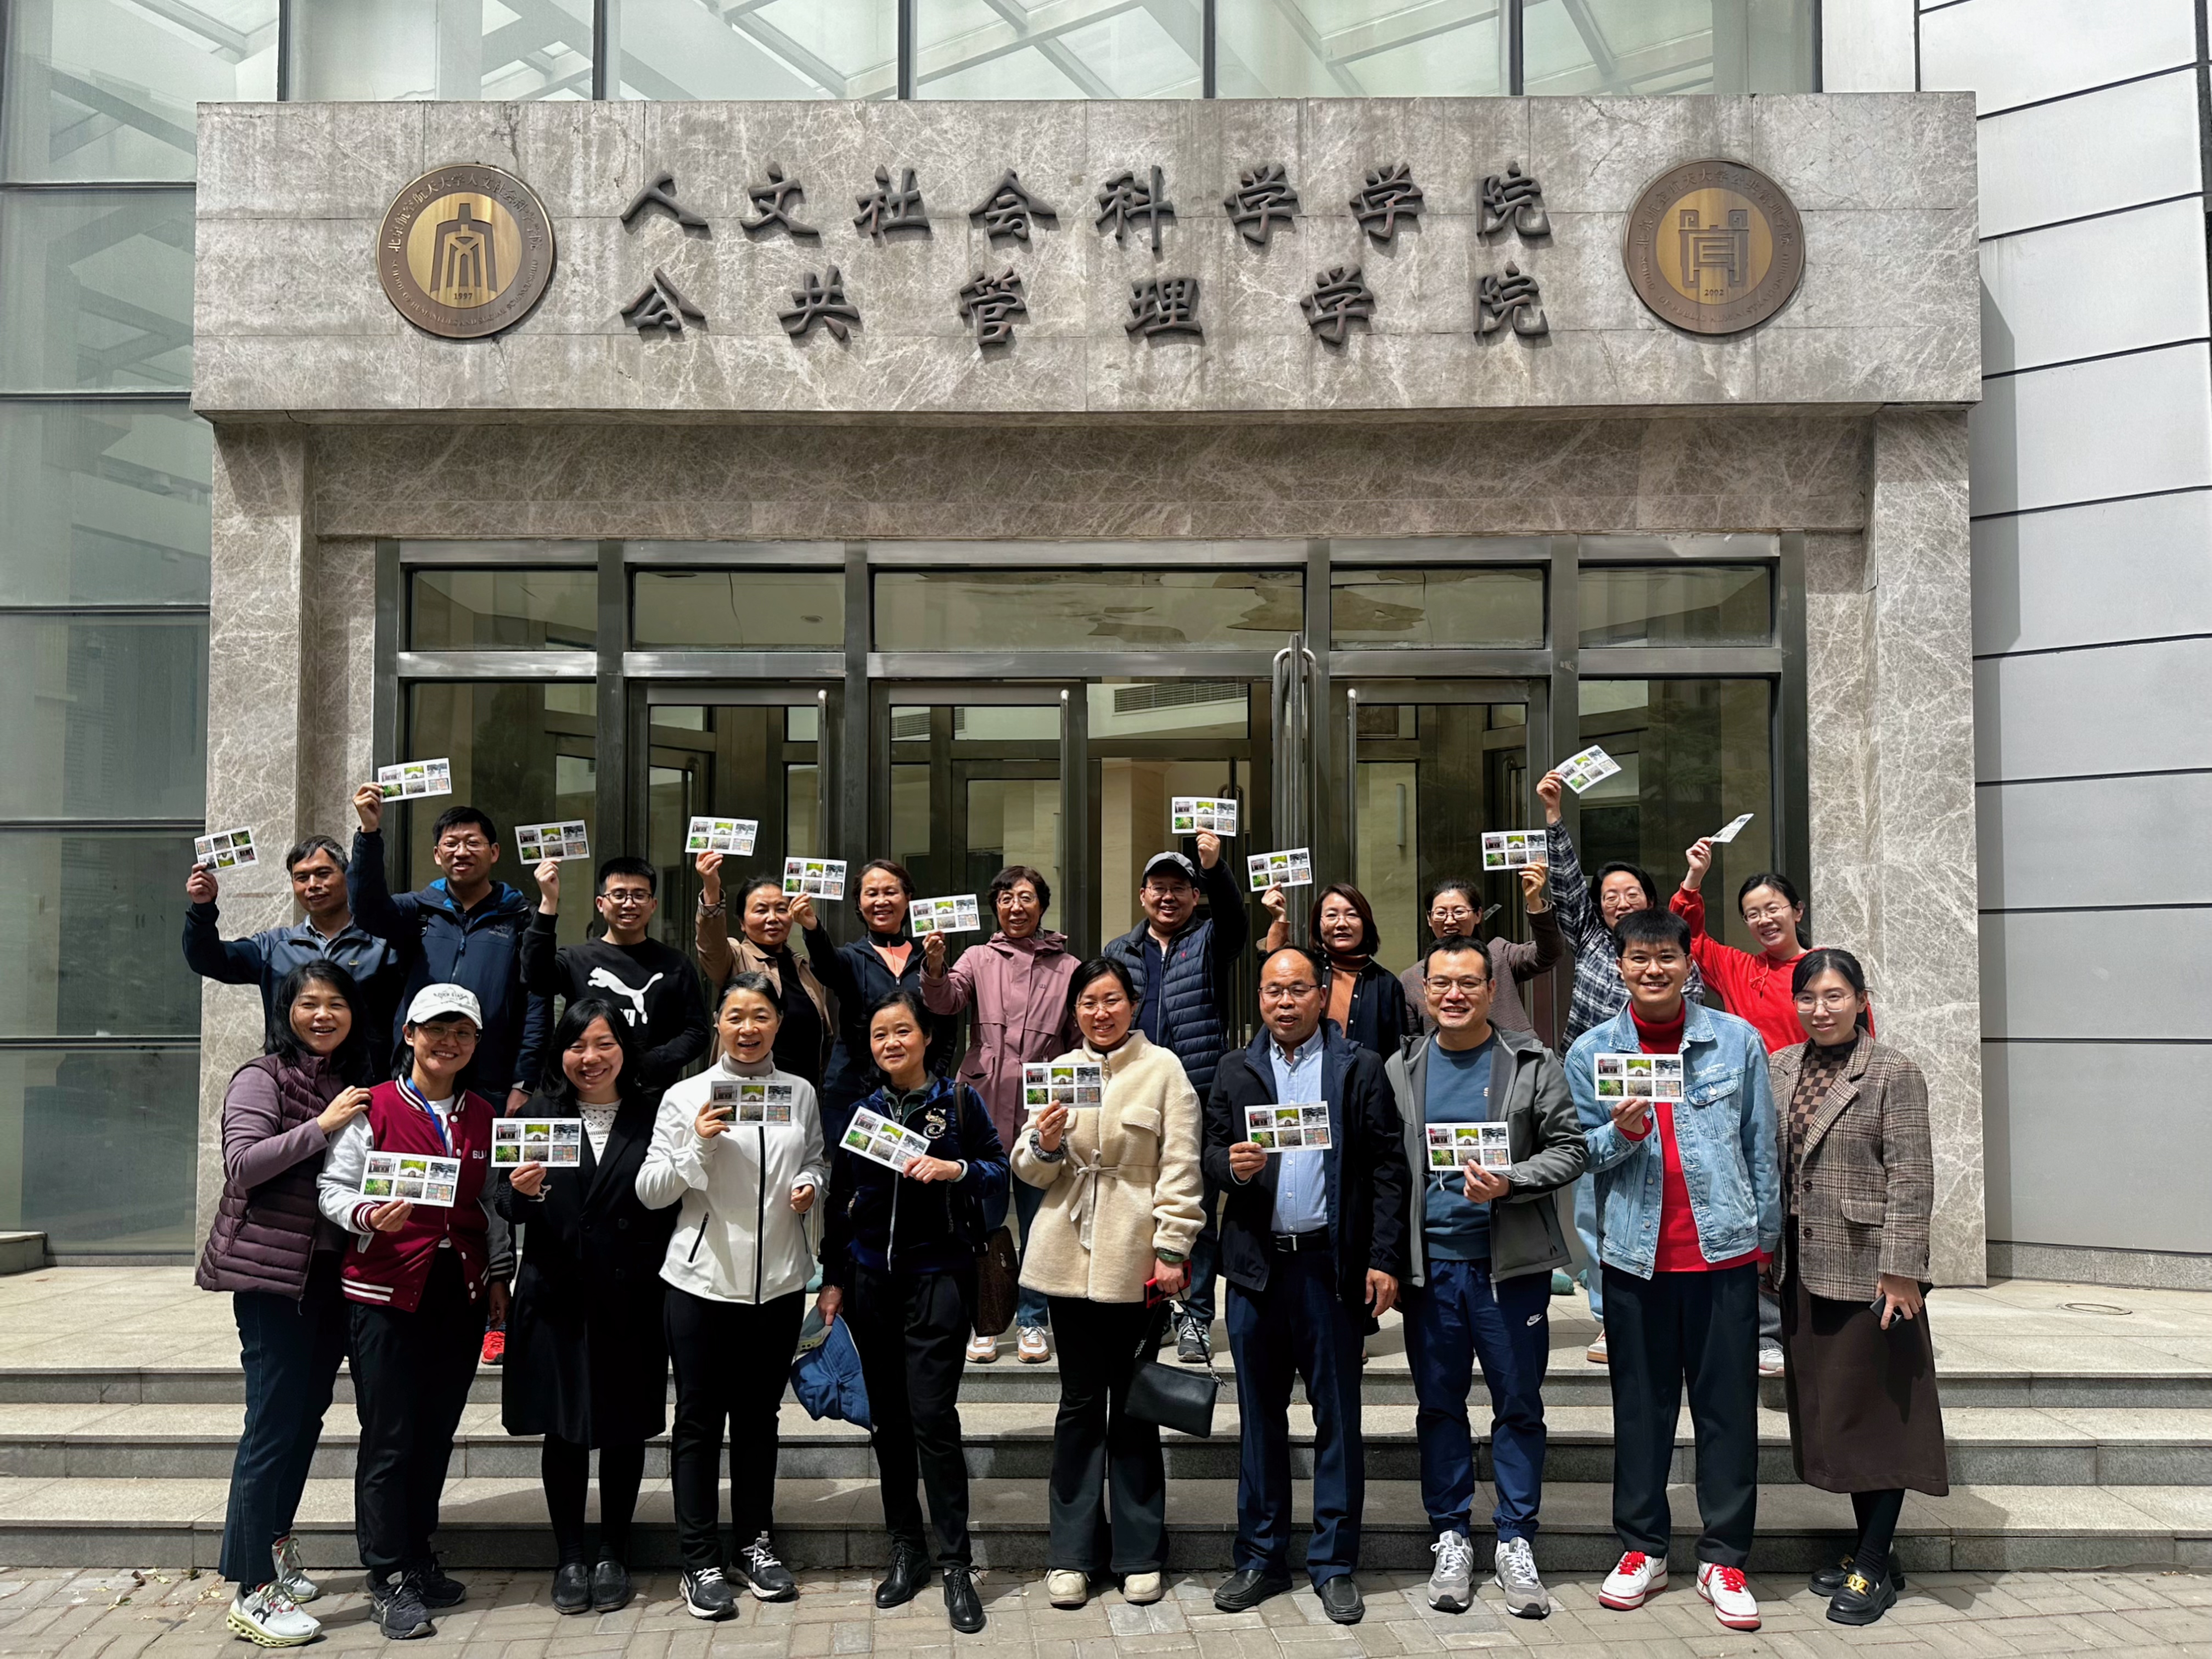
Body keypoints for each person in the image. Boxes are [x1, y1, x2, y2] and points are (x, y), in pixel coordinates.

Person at [1569, 911, 1779, 1634]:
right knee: (1640, 1410)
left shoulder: (1735, 1040)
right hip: (1636, 1261)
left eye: (1665, 956)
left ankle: (1724, 1558)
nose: (1652, 968)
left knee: (1728, 1412)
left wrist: (1764, 1242)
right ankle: (1643, 1548)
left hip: (1722, 1258)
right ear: (1620, 966)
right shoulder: (1592, 1050)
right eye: (1638, 957)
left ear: (1688, 964)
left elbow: (1760, 1145)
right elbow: (1579, 1155)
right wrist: (1619, 1132)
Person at [1203, 947, 1409, 1627]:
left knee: (1337, 1420)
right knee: (1259, 1419)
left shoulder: (1358, 1066)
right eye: (1272, 990)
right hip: (1257, 1269)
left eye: (1297, 989)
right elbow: (1207, 1153)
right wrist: (1230, 1166)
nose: (1284, 1002)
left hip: (1329, 1267)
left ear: (1321, 995)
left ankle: (1334, 1562)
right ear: (1259, 998)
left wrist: (1383, 1257)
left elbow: (1387, 1166)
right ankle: (1260, 1556)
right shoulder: (1235, 1068)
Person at [1383, 936, 1585, 1620]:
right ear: (1423, 991)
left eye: (1468, 982)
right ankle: (1450, 1533)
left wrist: (1511, 1180)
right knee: (1439, 1405)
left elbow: (1570, 1148)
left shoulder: (1530, 1061)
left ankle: (1515, 1537)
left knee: (1518, 1403)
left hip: (1509, 1269)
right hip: (1431, 1270)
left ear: (1490, 988)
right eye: (1441, 982)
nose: (1454, 994)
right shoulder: (1402, 1067)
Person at [1012, 958, 1204, 1611]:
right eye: (1089, 1001)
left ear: (1133, 1004)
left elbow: (1181, 1165)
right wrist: (1043, 1144)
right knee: (1078, 1405)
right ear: (1075, 1011)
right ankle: (1071, 1553)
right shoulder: (1060, 1070)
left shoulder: (1164, 1068)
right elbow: (1028, 1168)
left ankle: (1139, 1551)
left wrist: (1173, 1246)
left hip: (1135, 1257)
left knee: (1134, 1406)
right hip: (1066, 1255)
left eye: (1112, 999)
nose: (1101, 1012)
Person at [638, 973, 829, 1622]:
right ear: (717, 1022)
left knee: (758, 1419)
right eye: (736, 1015)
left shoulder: (799, 1092)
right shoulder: (685, 1094)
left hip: (778, 1284)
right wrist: (699, 1141)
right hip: (701, 1283)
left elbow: (817, 1160)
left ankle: (754, 1543)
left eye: (761, 1015)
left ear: (778, 1022)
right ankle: (698, 1558)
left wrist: (809, 1183)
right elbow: (652, 1189)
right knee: (698, 1421)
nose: (749, 1027)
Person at [316, 984, 504, 1641]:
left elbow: (491, 1204)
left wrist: (499, 1272)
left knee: (435, 1432)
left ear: (475, 1042)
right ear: (409, 1033)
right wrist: (367, 1213)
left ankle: (420, 1555)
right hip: (386, 1291)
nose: (448, 1042)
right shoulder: (375, 1106)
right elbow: (333, 1188)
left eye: (462, 1032)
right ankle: (387, 1572)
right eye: (435, 1029)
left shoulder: (483, 1114)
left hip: (458, 1291)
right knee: (390, 1435)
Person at [197, 960, 375, 1648]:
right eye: (309, 1003)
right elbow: (243, 1164)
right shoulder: (261, 1076)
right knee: (271, 1424)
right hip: (273, 1279)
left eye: (336, 1003)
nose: (323, 1015)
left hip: (329, 1274)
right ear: (287, 1011)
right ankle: (252, 1589)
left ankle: (272, 1550)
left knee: (304, 1417)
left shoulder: (349, 1080)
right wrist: (323, 1125)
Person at [818, 993, 1007, 1635]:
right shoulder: (863, 1110)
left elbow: (997, 1170)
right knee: (889, 1422)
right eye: (880, 1034)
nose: (891, 1042)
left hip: (939, 1280)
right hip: (871, 1280)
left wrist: (956, 1168)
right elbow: (841, 1198)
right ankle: (906, 1547)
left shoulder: (959, 1101)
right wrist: (834, 1278)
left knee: (933, 1417)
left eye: (902, 1030)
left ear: (926, 1036)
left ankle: (956, 1563)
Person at [1769, 949, 1946, 1628]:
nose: (1820, 1009)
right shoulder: (1781, 1066)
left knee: (1878, 1420)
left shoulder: (1893, 1071)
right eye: (1808, 997)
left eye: (1834, 995)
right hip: (1802, 1265)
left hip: (1870, 1272)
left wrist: (1901, 1267)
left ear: (1861, 998)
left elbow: (1912, 1174)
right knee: (1838, 1418)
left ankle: (1871, 1565)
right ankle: (1872, 1550)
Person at [496, 997, 679, 1617]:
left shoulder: (656, 1113)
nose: (590, 1057)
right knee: (565, 1428)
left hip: (632, 1293)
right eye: (577, 1045)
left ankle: (613, 1552)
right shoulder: (537, 1113)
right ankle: (570, 1555)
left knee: (624, 1427)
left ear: (624, 1049)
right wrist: (521, 1192)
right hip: (558, 1294)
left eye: (604, 1043)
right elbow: (505, 1204)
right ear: (561, 1052)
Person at [1674, 848, 1869, 1376]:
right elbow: (1690, 937)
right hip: (1756, 1113)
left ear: (1797, 910)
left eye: (1773, 907)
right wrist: (1694, 878)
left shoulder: (1826, 967)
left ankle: (1825, 1324)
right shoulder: (1740, 968)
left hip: (1820, 1109)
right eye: (1752, 913)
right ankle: (1767, 1334)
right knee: (1765, 1219)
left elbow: (1863, 1038)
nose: (1764, 919)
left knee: (1820, 1216)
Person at [1536, 770, 1705, 1366]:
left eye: (1630, 892)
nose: (1618, 901)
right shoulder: (1590, 937)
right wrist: (1553, 816)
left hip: (1666, 1095)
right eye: (1608, 894)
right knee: (1593, 1204)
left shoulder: (1670, 957)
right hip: (1595, 1094)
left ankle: (1667, 1304)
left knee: (1663, 1198)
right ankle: (1609, 1317)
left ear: (1650, 901)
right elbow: (1565, 885)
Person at [922, 864, 1082, 1365]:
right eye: (1007, 898)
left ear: (1043, 906)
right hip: (983, 1104)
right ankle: (985, 1319)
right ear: (995, 906)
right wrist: (934, 966)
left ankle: (1033, 1319)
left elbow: (1079, 1039)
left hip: (1042, 1111)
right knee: (983, 1223)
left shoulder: (1070, 966)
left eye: (1027, 897)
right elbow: (947, 1001)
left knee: (1041, 1223)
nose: (1016, 906)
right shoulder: (977, 956)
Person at [1103, 836, 1249, 1363]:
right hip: (1135, 1095)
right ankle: (1153, 1311)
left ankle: (1195, 1316)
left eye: (1179, 888)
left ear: (1193, 896)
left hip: (1198, 1091)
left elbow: (1234, 920)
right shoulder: (1119, 952)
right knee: (1140, 1206)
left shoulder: (1209, 938)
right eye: (1159, 887)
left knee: (1195, 1209)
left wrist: (1215, 868)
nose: (1168, 897)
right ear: (1143, 894)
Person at [348, 792, 549, 1117]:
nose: (462, 852)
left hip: (491, 1081)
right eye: (451, 844)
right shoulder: (418, 909)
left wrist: (524, 1081)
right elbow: (367, 910)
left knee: (480, 1153)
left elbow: (536, 1000)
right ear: (437, 855)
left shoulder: (521, 917)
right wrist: (369, 833)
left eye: (473, 843)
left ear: (494, 852)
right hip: (417, 1073)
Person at [183, 834, 401, 1071]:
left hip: (366, 1083)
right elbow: (207, 960)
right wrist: (202, 909)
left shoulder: (383, 946)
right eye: (302, 878)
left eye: (323, 873)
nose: (312, 885)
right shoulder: (273, 947)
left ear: (347, 877)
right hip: (292, 1085)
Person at [519, 853, 710, 1091]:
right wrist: (549, 901)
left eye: (640, 895)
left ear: (653, 905)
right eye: (619, 895)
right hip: (582, 1090)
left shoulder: (676, 964)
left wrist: (650, 1063)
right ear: (600, 904)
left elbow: (697, 1032)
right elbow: (537, 980)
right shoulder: (576, 958)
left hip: (648, 1095)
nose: (629, 904)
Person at [806, 860, 957, 1142]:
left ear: (908, 898)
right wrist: (812, 927)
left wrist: (931, 1078)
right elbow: (827, 965)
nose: (881, 901)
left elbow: (945, 1023)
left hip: (917, 1093)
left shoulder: (928, 957)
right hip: (852, 1090)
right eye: (872, 893)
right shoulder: (850, 957)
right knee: (852, 1170)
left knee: (915, 1167)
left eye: (890, 892)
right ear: (859, 903)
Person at [695, 857, 834, 1088]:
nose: (773, 918)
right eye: (761, 910)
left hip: (805, 1092)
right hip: (749, 1094)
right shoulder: (735, 957)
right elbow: (711, 945)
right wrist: (711, 889)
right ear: (742, 922)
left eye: (781, 909)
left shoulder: (804, 967)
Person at [1396, 871, 1564, 1037]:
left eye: (1459, 912)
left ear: (1478, 915)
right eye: (1441, 913)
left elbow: (1550, 952)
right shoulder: (1412, 978)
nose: (1450, 920)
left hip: (1511, 1054)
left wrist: (1534, 901)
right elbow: (1414, 1043)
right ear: (1429, 919)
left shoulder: (1500, 955)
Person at [1256, 882, 1412, 1054]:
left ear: (1365, 923)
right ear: (1318, 923)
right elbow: (1275, 966)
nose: (1341, 923)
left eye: (1352, 915)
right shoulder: (1309, 970)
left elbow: (1396, 1052)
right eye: (1331, 915)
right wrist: (1279, 917)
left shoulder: (1386, 984)